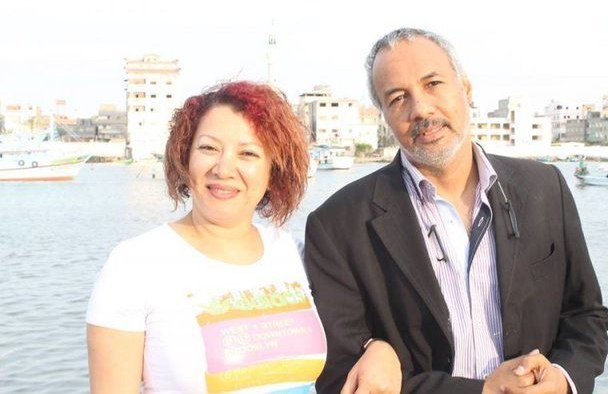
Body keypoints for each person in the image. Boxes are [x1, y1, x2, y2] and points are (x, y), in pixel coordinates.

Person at [303, 29, 608, 394]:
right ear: (384, 115)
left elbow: (586, 315)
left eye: (432, 84)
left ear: (465, 88)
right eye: (398, 98)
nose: (421, 109)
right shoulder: (338, 225)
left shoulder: (544, 188)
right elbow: (339, 372)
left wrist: (563, 377)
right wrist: (482, 391)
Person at [86, 81, 400, 394]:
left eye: (248, 153)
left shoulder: (295, 254)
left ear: (273, 171)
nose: (224, 169)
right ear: (185, 156)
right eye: (208, 148)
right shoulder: (135, 265)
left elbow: (351, 333)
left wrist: (378, 347)